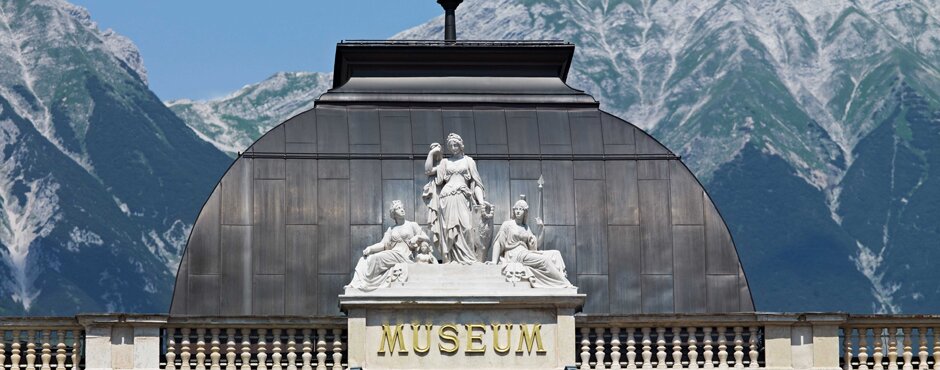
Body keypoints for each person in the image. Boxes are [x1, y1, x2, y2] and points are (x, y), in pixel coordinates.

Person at [423, 133, 492, 264]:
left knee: (466, 227)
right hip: (447, 197)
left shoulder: (468, 161)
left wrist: (481, 202)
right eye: (450, 146)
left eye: (456, 145)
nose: (453, 147)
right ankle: (449, 259)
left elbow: (476, 183)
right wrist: (432, 153)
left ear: (461, 145)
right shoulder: (445, 162)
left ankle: (468, 258)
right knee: (448, 228)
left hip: (462, 196)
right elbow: (428, 170)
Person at [488, 195, 574, 288]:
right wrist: (494, 261)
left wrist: (541, 229)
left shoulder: (526, 228)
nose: (518, 211)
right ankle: (563, 283)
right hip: (515, 255)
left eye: (520, 209)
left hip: (526, 253)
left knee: (555, 254)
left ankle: (561, 280)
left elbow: (536, 245)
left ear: (525, 212)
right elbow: (498, 243)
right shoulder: (507, 224)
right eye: (516, 209)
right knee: (544, 260)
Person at [346, 200, 430, 291]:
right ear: (394, 214)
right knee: (366, 259)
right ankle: (364, 282)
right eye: (398, 208)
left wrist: (417, 237)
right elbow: (382, 245)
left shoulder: (412, 225)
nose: (402, 210)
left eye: (402, 207)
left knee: (375, 258)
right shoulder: (391, 229)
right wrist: (370, 248)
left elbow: (427, 239)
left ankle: (366, 283)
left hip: (404, 255)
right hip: (393, 253)